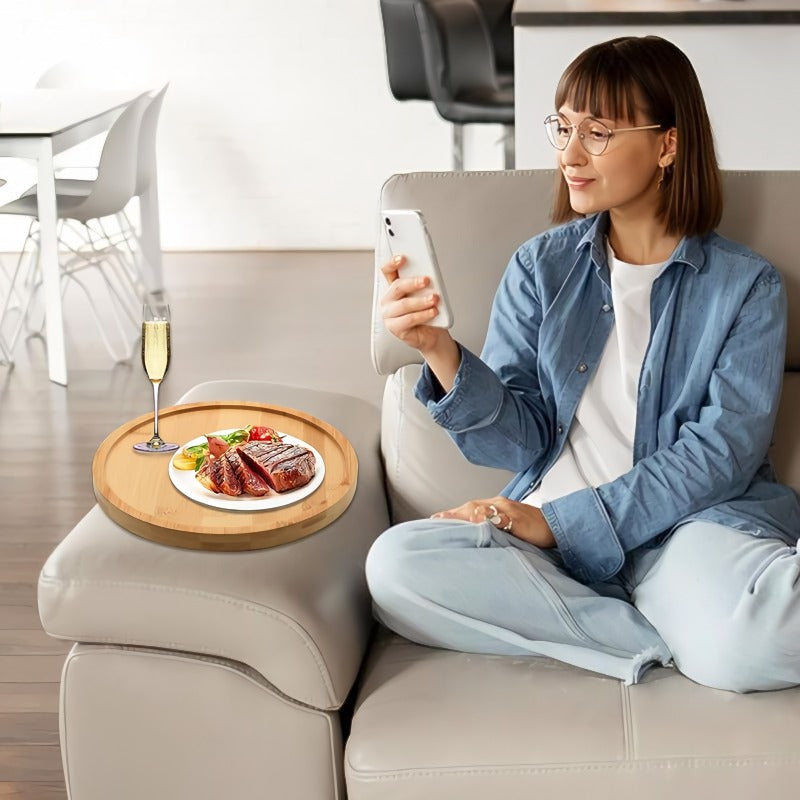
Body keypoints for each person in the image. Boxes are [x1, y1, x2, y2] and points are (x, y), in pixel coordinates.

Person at [365, 35, 800, 693]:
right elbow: (518, 442)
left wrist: (562, 523)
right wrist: (438, 350)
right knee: (396, 568)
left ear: (667, 145)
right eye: (564, 128)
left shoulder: (747, 286)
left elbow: (722, 454)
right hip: (549, 546)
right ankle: (665, 635)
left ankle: (677, 618)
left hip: (684, 532)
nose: (569, 155)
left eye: (597, 133)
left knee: (761, 638)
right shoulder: (539, 267)